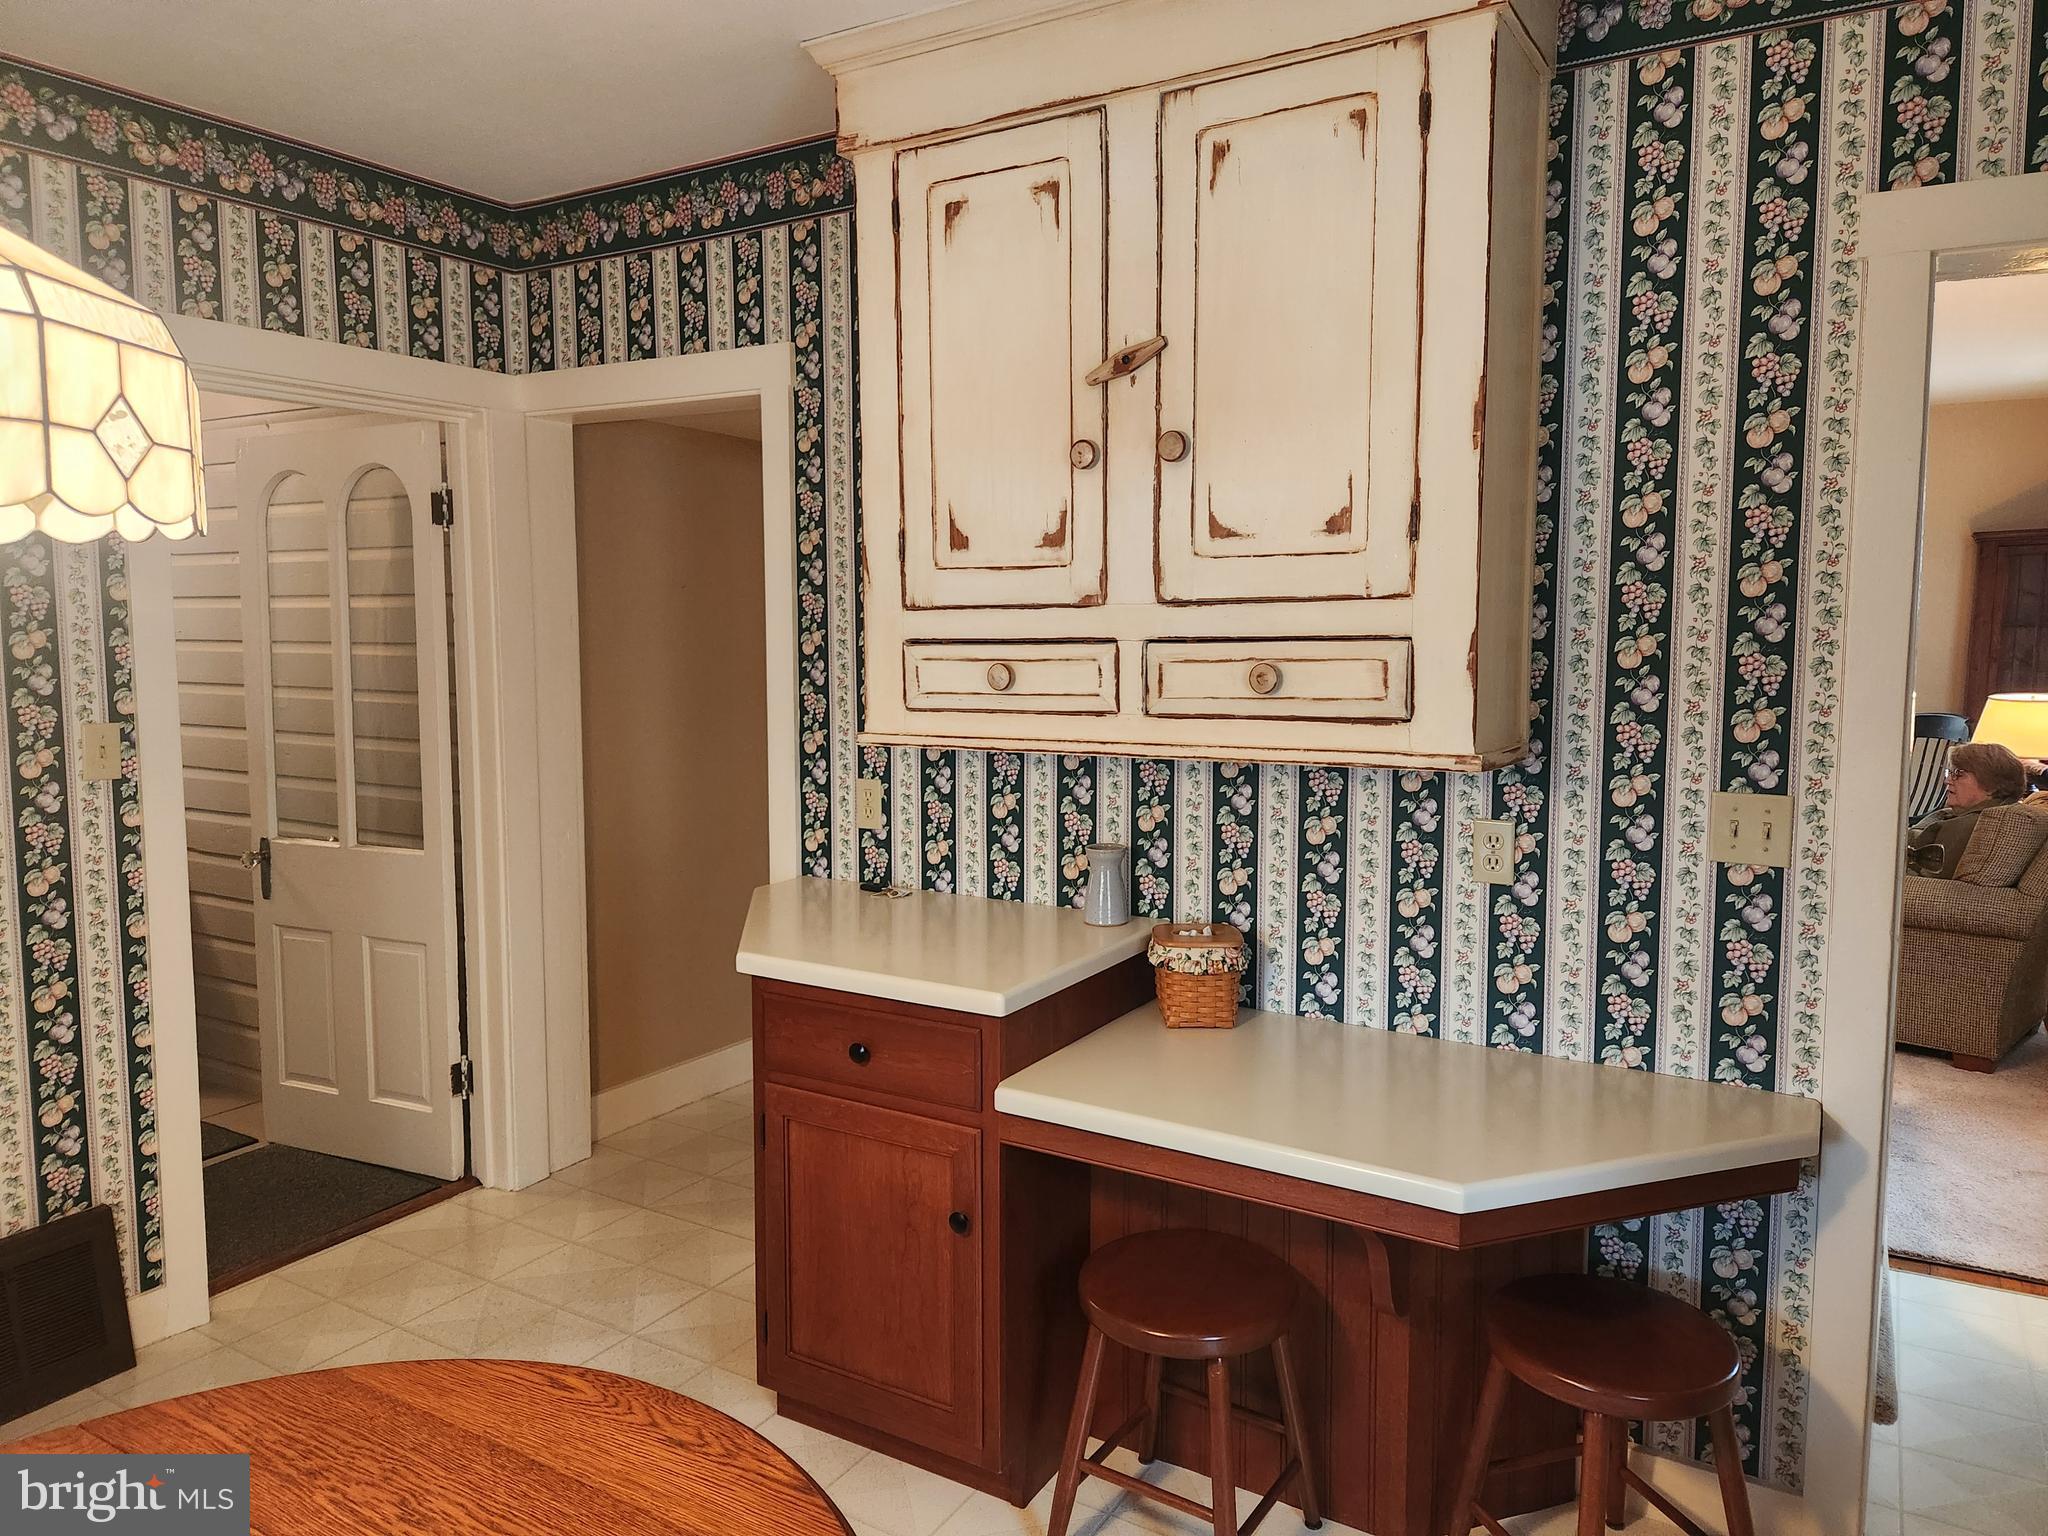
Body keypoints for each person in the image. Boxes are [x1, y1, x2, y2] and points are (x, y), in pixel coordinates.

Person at [1908, 741, 2029, 877]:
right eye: (1950, 772)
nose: (1947, 780)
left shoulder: (1969, 826)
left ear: (1991, 785)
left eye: (1958, 774)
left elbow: (1930, 880)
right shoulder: (1959, 815)